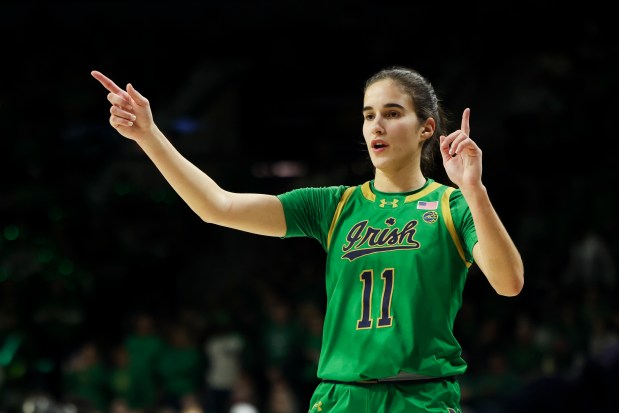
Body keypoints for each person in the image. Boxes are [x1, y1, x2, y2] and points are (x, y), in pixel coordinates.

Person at [91, 66, 524, 413]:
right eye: (368, 114)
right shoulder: (333, 206)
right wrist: (148, 136)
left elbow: (509, 283)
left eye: (393, 113)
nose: (377, 125)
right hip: (340, 397)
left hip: (423, 398)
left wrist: (475, 191)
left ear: (426, 128)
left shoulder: (454, 206)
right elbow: (216, 207)